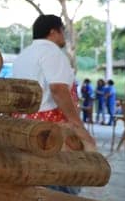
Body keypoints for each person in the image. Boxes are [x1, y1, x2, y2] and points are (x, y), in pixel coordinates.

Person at [7, 13, 94, 153]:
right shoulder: (52, 52)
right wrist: (78, 126)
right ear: (53, 32)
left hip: (23, 125)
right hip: (48, 128)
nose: (64, 36)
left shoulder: (23, 55)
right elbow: (58, 90)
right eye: (62, 31)